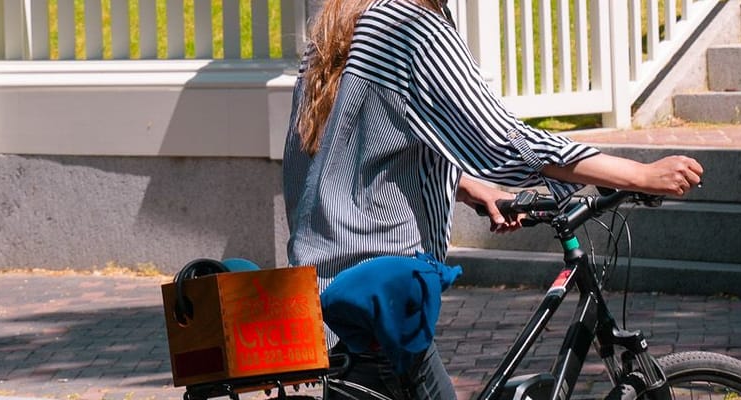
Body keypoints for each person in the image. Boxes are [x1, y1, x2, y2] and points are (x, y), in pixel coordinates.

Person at [283, 0, 703, 398]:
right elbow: (506, 139)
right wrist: (641, 173)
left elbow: (348, 152)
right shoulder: (412, 27)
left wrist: (467, 186)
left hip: (320, 298)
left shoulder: (342, 23)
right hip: (380, 306)